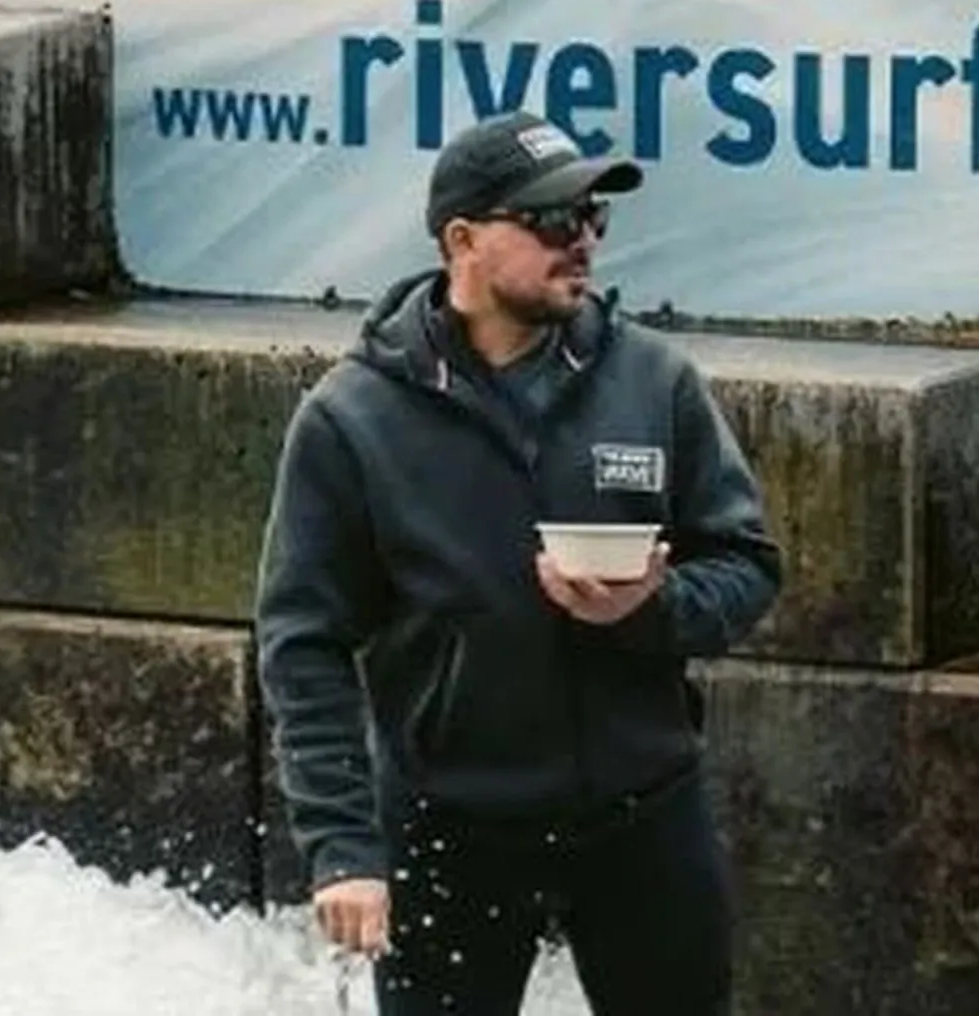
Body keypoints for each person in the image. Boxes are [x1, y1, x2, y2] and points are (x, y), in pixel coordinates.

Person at [253, 109, 783, 1016]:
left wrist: (650, 609)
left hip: (642, 813)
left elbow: (747, 564)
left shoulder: (654, 380)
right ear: (462, 240)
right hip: (449, 825)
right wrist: (344, 849)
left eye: (592, 217)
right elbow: (303, 642)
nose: (581, 240)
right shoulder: (351, 418)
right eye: (550, 220)